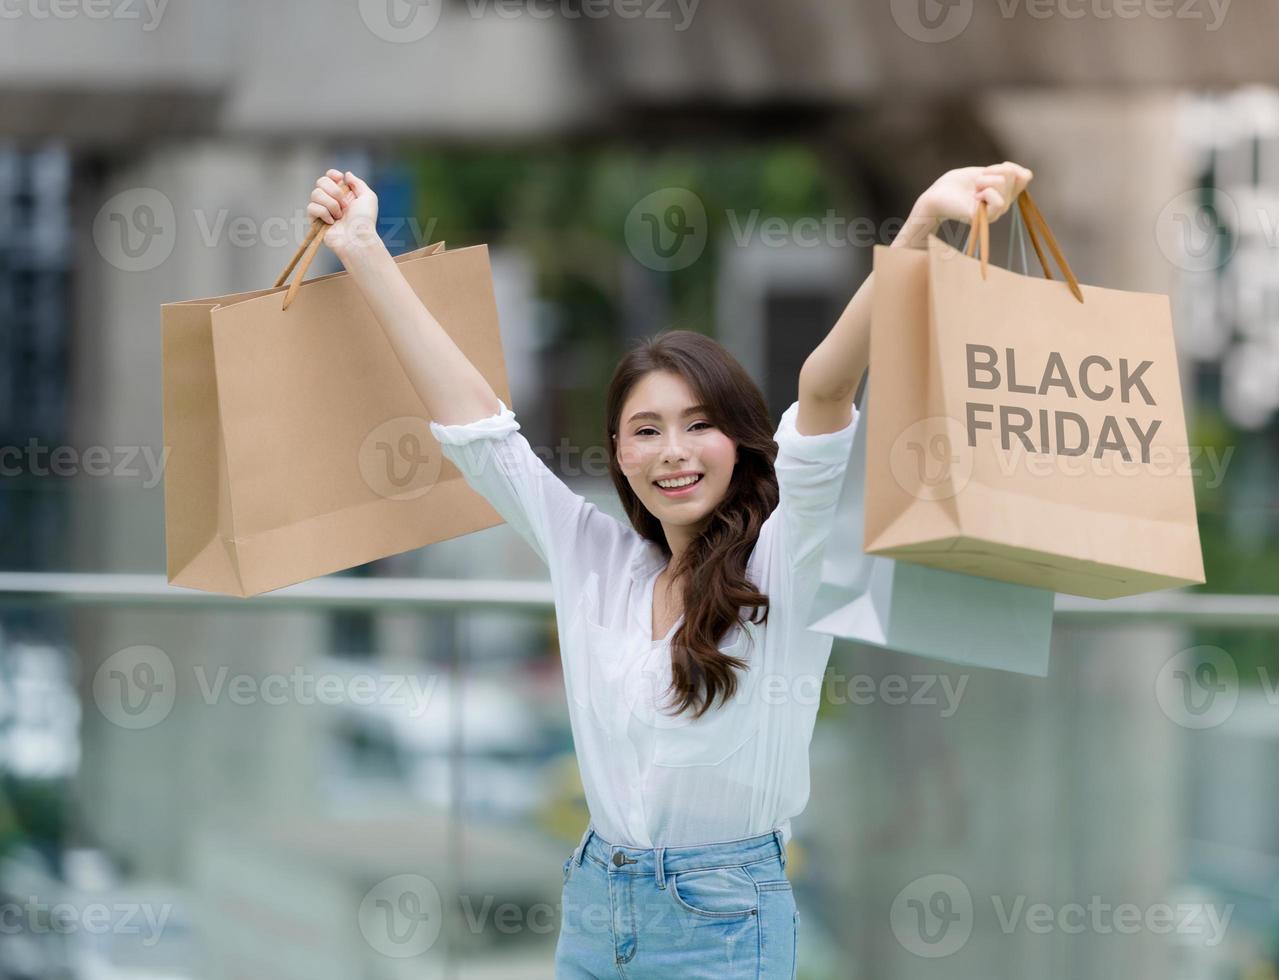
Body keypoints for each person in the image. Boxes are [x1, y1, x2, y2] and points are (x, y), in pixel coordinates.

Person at [304, 160, 1032, 979]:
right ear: (618, 452)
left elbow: (826, 387)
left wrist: (921, 228)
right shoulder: (595, 559)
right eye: (646, 430)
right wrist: (363, 249)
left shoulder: (783, 559)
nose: (674, 452)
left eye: (699, 425)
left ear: (740, 440)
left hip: (725, 921)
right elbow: (479, 430)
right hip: (593, 905)